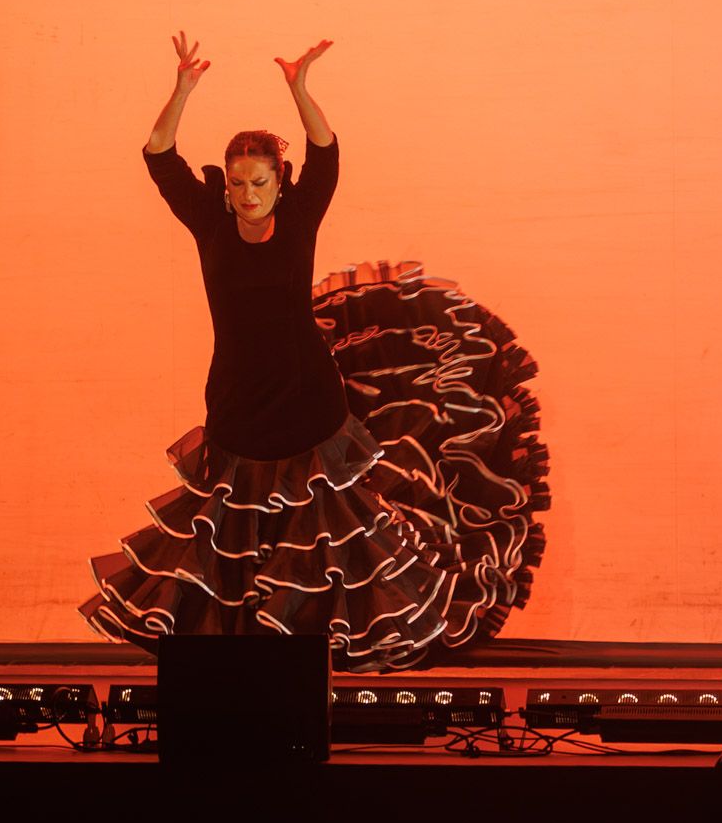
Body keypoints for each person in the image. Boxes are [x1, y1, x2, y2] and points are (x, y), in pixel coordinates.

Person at [80, 34, 546, 671]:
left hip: (309, 405)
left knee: (322, 539)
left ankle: (305, 670)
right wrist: (182, 92)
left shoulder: (299, 220)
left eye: (260, 181)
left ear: (278, 182)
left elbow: (326, 155)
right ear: (226, 187)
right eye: (238, 182)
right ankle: (246, 672)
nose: (248, 193)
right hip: (239, 403)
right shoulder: (210, 222)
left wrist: (300, 91)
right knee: (236, 537)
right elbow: (158, 155)